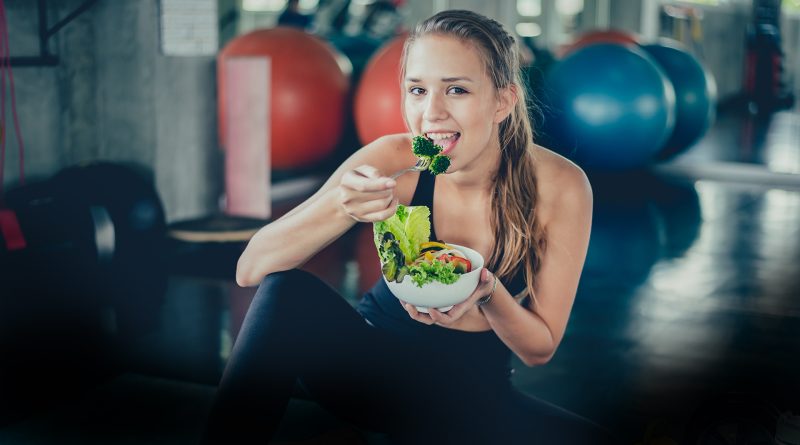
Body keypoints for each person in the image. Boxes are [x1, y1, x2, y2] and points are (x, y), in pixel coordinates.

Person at [202, 9, 611, 445]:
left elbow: (540, 347)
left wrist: (488, 293)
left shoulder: (561, 186)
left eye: (456, 89)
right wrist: (344, 208)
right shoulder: (395, 157)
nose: (431, 112)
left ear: (503, 101)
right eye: (417, 90)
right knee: (287, 291)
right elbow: (251, 268)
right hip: (370, 374)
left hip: (471, 397)